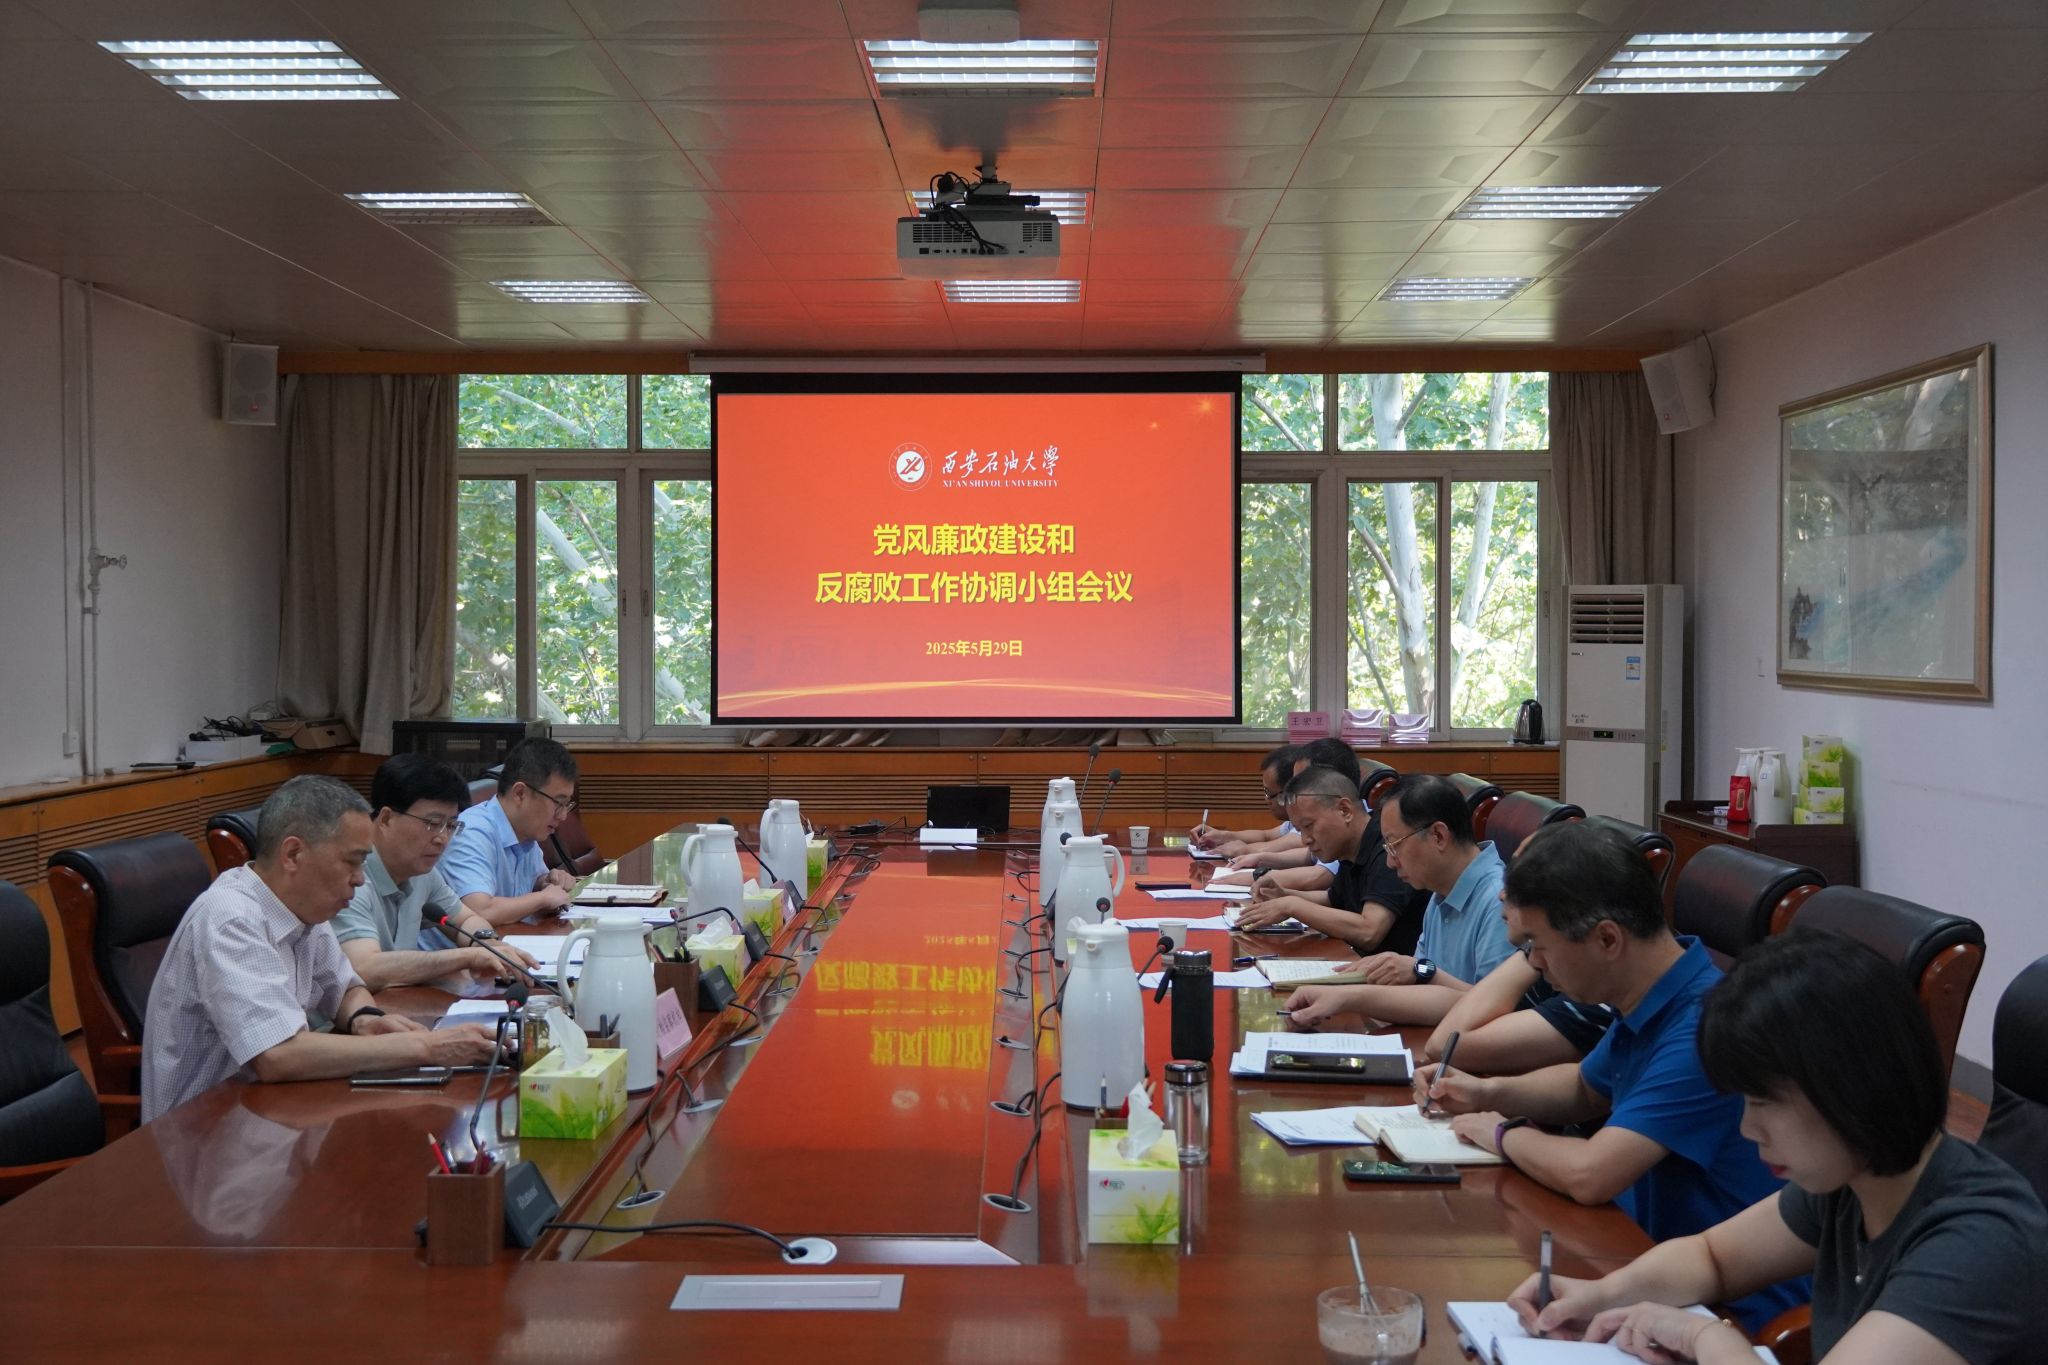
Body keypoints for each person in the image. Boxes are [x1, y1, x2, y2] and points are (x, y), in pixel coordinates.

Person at [1510, 928, 2048, 1363]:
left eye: (1764, 1102)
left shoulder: (1980, 1240)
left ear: (1851, 1086)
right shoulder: (1853, 1180)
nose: (1749, 1129)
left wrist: (1706, 1338)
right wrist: (1597, 1296)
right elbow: (1713, 1258)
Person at [1412, 821, 1804, 1332]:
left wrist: (1503, 1132)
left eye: (1537, 945)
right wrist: (1486, 1091)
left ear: (1606, 938)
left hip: (1729, 1313)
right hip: (1646, 1262)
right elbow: (1584, 1088)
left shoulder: (1702, 1027)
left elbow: (1591, 1174)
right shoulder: (1653, 992)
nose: (1534, 964)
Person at [142, 776, 498, 1122]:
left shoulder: (303, 908)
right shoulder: (232, 919)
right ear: (293, 854)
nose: (361, 878)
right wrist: (429, 1047)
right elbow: (278, 1054)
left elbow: (346, 988)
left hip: (268, 1114)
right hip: (205, 1133)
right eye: (352, 861)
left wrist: (365, 1019)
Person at [1283, 773, 1516, 1028]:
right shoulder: (1441, 889)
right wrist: (1344, 996)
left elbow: (1494, 1012)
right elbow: (1421, 991)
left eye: (1394, 845)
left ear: (1438, 836)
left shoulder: (1499, 900)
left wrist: (1419, 971)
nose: (1390, 862)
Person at [332, 753, 539, 992]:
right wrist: (467, 957)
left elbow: (466, 919)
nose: (442, 838)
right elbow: (364, 969)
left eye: (450, 825)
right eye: (432, 823)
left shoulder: (422, 872)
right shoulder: (351, 878)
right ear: (386, 819)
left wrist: (487, 945)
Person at [1233, 765, 1428, 954]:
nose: (1305, 840)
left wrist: (1291, 905)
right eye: (1300, 830)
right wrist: (1282, 895)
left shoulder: (1387, 849)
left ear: (1345, 810)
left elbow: (1369, 931)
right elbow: (1332, 901)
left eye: (1309, 826)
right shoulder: (1349, 847)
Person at [438, 738, 581, 932]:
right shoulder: (472, 833)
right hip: (459, 950)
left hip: (508, 940)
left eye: (566, 805)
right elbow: (479, 911)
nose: (563, 816)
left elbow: (533, 882)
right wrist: (542, 898)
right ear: (520, 793)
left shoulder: (525, 830)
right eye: (558, 803)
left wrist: (546, 882)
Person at [1190, 744, 1302, 859]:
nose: (1266, 799)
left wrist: (1245, 850)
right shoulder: (1293, 821)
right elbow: (1266, 836)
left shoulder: (1307, 822)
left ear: (1288, 794)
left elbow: (1277, 845)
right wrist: (1222, 836)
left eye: (1269, 793)